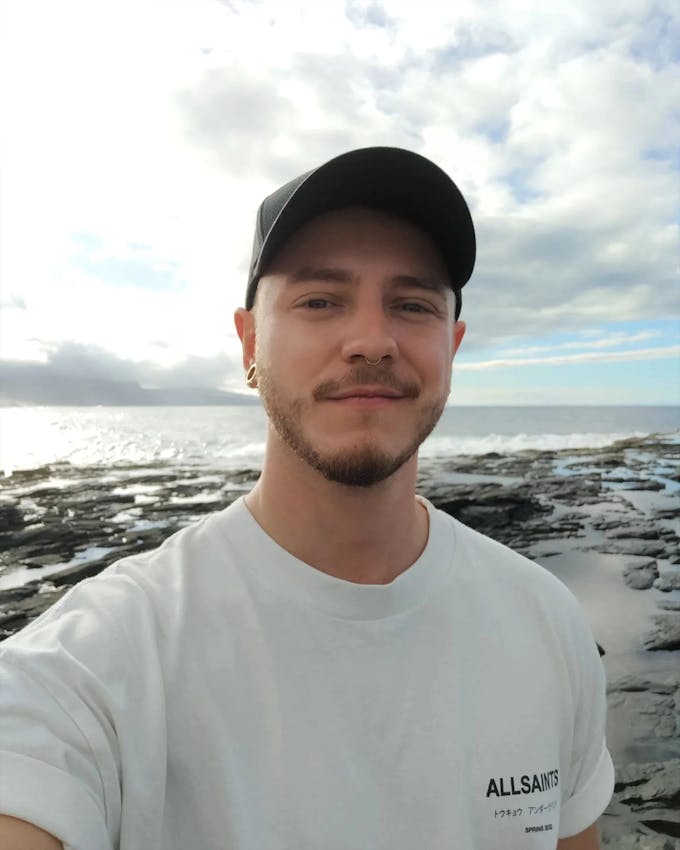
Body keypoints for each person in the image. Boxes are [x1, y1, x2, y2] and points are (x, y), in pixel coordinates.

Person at [0, 147, 613, 849]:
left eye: (412, 305)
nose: (372, 340)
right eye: (320, 300)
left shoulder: (548, 626)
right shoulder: (95, 666)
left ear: (454, 344)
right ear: (250, 341)